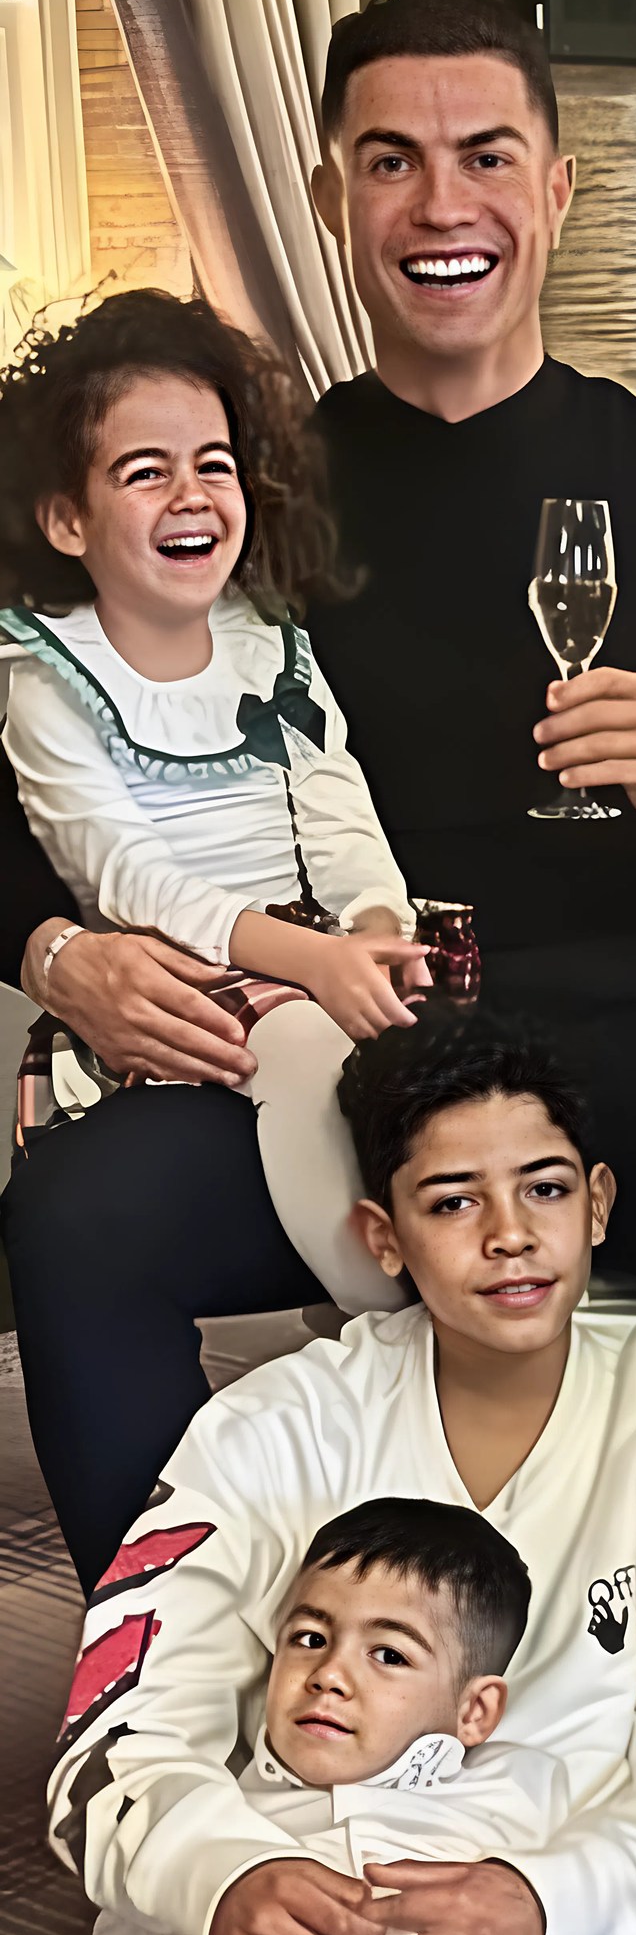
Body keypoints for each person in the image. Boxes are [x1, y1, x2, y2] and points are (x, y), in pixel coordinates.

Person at [3, 0, 636, 1935]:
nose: (443, 203)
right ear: (331, 193)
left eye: (486, 155)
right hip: (342, 1037)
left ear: (556, 189)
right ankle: (216, 1752)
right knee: (76, 1215)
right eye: (392, 160)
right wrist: (56, 949)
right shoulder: (248, 482)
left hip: (632, 1025)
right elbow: (44, 741)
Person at [48, 1004, 636, 1935]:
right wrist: (222, 1877)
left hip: (555, 1909)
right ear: (384, 1235)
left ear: (598, 1204)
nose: (511, 1236)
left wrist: (552, 1906)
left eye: (546, 1189)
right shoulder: (274, 1427)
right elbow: (116, 1739)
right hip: (279, 1884)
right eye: (452, 1203)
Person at [0, 290, 430, 1310]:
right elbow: (128, 879)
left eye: (214, 464)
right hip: (179, 976)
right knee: (309, 1052)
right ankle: (394, 1330)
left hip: (306, 948)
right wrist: (313, 965)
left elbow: (338, 808)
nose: (191, 494)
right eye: (145, 472)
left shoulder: (269, 640)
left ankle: (478, 1299)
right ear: (66, 518)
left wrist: (376, 927)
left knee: (447, 1041)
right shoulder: (44, 674)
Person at [79, 1495, 570, 1935]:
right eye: (310, 1639)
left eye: (389, 1655)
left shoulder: (527, 1793)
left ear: (474, 1712)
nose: (328, 1675)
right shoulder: (197, 1820)